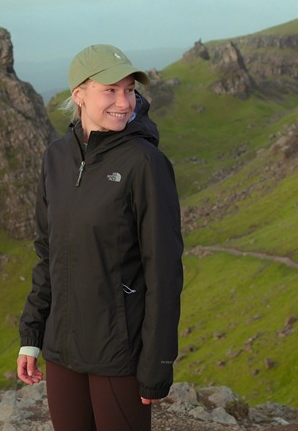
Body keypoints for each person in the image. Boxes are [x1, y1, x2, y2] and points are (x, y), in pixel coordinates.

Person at [17, 44, 184, 431]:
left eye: (129, 90)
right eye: (110, 90)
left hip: (118, 352)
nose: (124, 102)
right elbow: (48, 254)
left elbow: (163, 270)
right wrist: (32, 336)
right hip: (62, 352)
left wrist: (157, 363)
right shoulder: (56, 158)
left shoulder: (145, 163)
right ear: (79, 94)